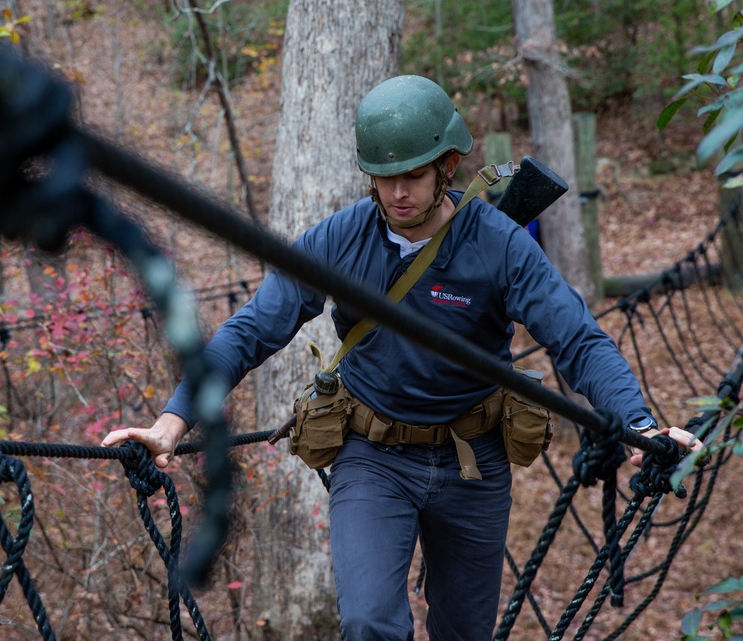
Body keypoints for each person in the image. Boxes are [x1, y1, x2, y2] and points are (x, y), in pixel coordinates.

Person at [103, 75, 700, 640]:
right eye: (384, 176)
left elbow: (578, 339)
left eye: (413, 175)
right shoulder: (338, 240)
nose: (397, 192)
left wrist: (638, 424)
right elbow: (254, 328)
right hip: (372, 459)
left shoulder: (499, 244)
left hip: (474, 463)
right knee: (370, 626)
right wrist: (173, 421)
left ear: (446, 165)